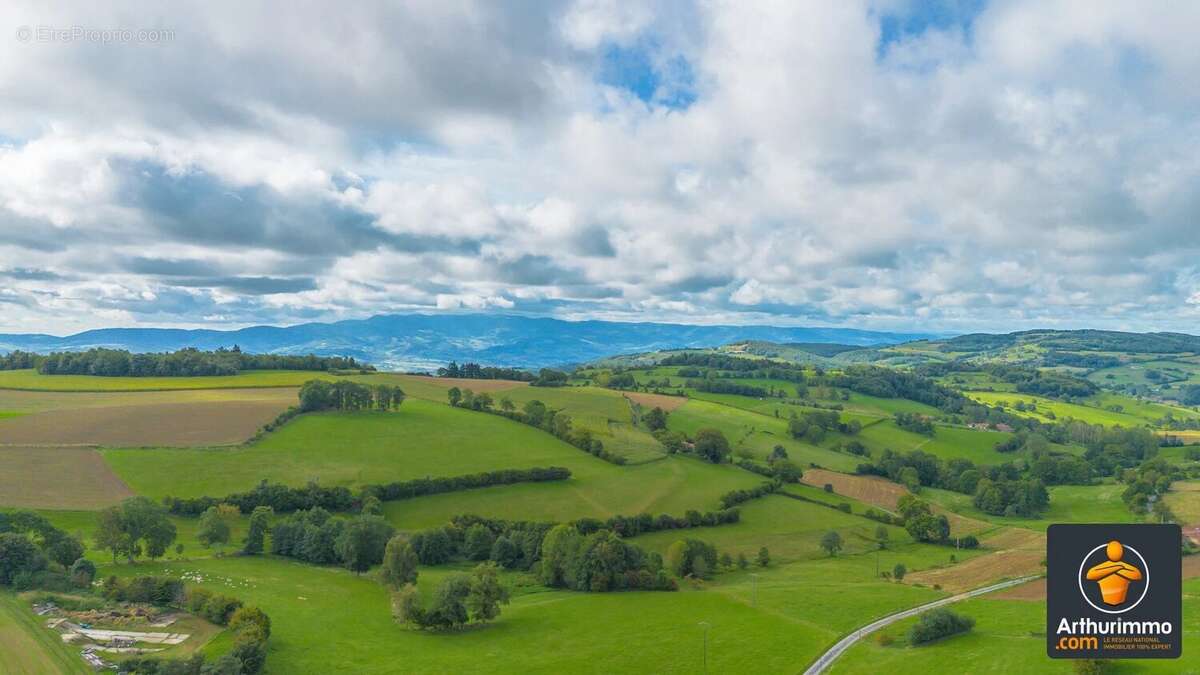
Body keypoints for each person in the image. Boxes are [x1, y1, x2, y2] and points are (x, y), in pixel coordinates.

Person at [1085, 540, 1142, 605]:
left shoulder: (1125, 565)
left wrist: (1115, 568)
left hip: (1121, 599)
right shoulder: (1119, 565)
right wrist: (1118, 567)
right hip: (1106, 599)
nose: (1115, 553)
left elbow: (1137, 576)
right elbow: (1089, 575)